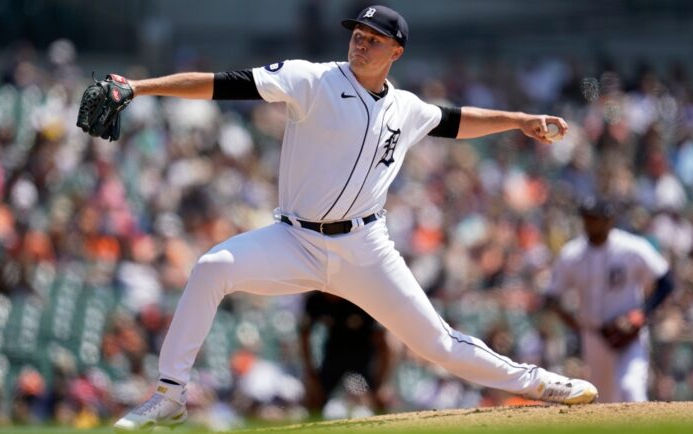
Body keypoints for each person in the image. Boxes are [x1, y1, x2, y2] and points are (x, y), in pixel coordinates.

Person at [94, 5, 598, 432]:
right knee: (211, 267)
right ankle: (171, 393)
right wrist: (139, 87)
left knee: (438, 344)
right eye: (358, 35)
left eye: (373, 39)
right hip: (294, 240)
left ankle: (541, 383)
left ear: (395, 52)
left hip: (365, 249)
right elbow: (224, 85)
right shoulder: (311, 79)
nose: (361, 43)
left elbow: (457, 119)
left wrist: (519, 121)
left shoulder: (406, 107)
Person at [544, 197, 674, 402]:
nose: (589, 223)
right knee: (602, 399)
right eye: (586, 218)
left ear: (609, 220)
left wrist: (642, 313)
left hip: (629, 335)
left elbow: (666, 281)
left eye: (595, 218)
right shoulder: (572, 254)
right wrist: (573, 323)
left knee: (631, 388)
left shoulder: (631, 247)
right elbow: (551, 296)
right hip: (594, 337)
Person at [299, 291, 392, 415]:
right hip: (334, 353)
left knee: (379, 400)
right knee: (314, 398)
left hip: (363, 355)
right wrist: (311, 374)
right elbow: (304, 335)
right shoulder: (316, 299)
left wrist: (382, 382)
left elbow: (384, 343)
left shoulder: (361, 297)